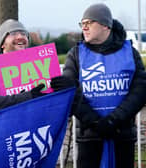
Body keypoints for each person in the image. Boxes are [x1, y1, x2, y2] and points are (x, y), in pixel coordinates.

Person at [58, 3, 146, 168]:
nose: (84, 28)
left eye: (89, 23)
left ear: (105, 25)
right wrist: (94, 122)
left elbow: (140, 90)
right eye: (82, 24)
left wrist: (113, 120)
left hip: (122, 134)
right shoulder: (76, 54)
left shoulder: (130, 52)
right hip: (89, 136)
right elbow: (70, 91)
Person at [0, 19, 74, 116]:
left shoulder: (42, 64)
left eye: (24, 34)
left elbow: (62, 106)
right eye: (13, 33)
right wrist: (28, 97)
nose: (20, 37)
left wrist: (68, 89)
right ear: (2, 44)